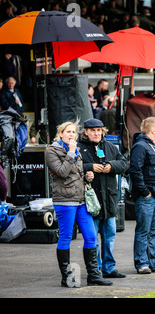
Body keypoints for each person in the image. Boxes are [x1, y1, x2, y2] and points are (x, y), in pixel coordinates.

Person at [45, 121, 112, 287]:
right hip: (65, 201)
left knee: (91, 237)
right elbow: (61, 172)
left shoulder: (75, 150)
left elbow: (76, 172)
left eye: (73, 132)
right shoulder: (52, 151)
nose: (71, 135)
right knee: (66, 237)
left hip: (81, 199)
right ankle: (66, 277)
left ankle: (94, 275)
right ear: (61, 134)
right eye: (68, 132)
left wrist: (86, 176)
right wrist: (72, 153)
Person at [78, 118, 129, 278]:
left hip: (110, 200)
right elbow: (72, 168)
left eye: (99, 130)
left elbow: (124, 164)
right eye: (93, 130)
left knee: (109, 237)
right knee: (92, 238)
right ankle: (97, 270)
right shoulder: (79, 148)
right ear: (86, 131)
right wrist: (89, 167)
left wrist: (111, 167)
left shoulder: (109, 146)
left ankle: (109, 267)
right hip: (91, 202)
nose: (96, 133)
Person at [129, 117, 155, 273]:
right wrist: (145, 193)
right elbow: (135, 171)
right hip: (147, 196)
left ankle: (153, 262)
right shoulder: (140, 147)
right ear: (152, 130)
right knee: (143, 231)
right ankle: (141, 263)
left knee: (152, 231)